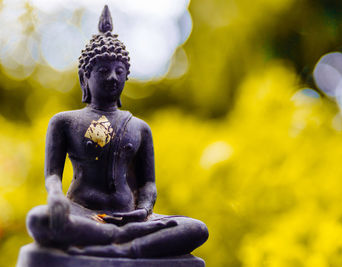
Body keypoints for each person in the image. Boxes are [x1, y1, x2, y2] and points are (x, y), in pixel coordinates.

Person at [26, 5, 208, 258]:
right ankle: (122, 241)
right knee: (38, 219)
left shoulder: (139, 127)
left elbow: (148, 184)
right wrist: (56, 198)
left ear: (126, 76)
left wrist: (143, 211)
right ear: (84, 77)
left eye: (119, 71)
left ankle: (125, 246)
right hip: (83, 213)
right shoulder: (64, 122)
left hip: (132, 218)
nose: (112, 77)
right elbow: (52, 176)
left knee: (196, 229)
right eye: (103, 71)